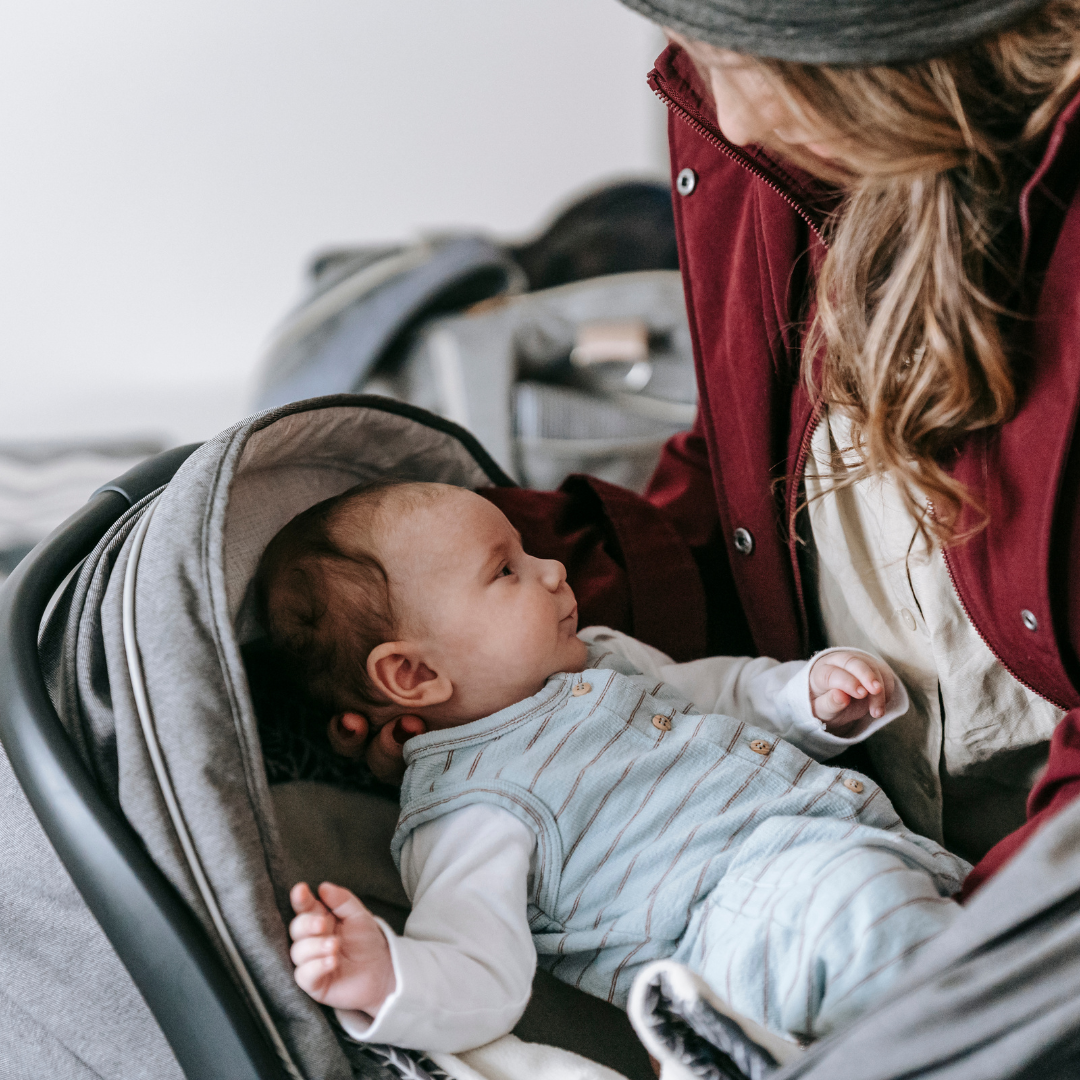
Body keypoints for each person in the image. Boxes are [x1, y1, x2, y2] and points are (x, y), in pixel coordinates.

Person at [461, 0, 1080, 901]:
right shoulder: (756, 142)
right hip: (877, 856)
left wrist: (954, 966)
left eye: (756, 59)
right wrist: (455, 590)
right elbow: (746, 475)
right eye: (696, 48)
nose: (733, 116)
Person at [256, 480, 968, 1052]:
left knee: (954, 926)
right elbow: (477, 964)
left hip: (859, 854)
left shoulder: (601, 654)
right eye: (506, 570)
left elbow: (716, 694)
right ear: (413, 673)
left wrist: (806, 697)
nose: (553, 569)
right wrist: (388, 979)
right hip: (737, 928)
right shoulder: (474, 807)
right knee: (890, 931)